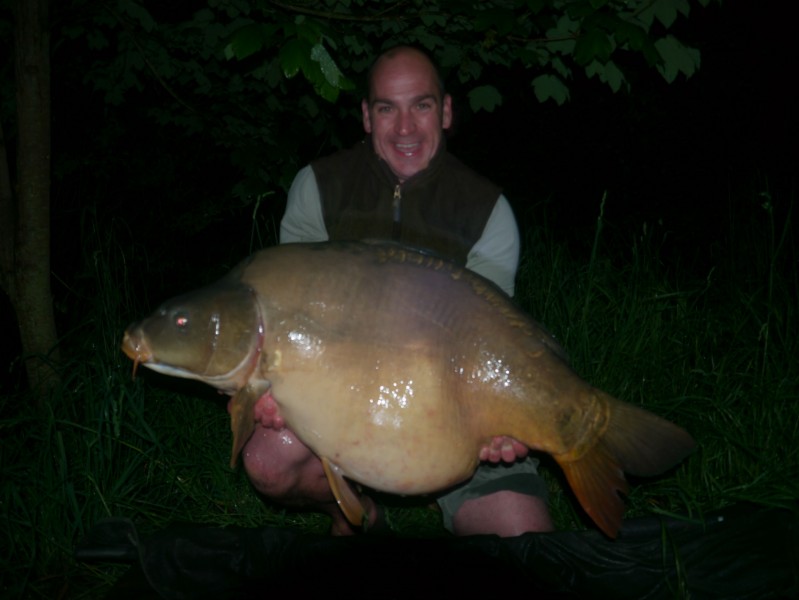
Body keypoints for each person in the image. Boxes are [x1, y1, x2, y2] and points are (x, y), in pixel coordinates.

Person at [241, 46, 554, 537]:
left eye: (421, 106)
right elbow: (288, 320)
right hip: (340, 409)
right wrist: (272, 388)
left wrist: (499, 422)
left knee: (523, 539)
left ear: (446, 111)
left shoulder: (486, 209)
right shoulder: (319, 186)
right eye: (387, 108)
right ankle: (361, 512)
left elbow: (492, 336)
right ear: (367, 116)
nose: (405, 128)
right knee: (267, 461)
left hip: (452, 417)